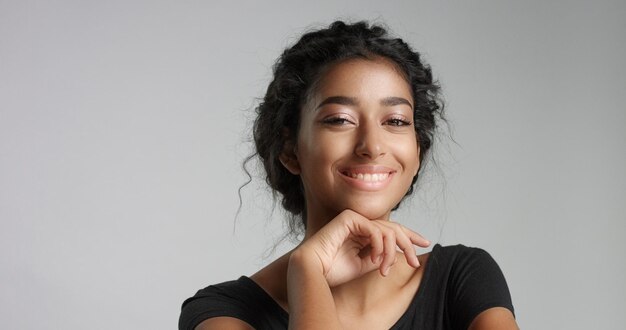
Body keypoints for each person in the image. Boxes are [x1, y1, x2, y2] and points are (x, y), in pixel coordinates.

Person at [179, 20, 517, 330]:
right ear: (289, 149)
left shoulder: (465, 278)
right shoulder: (220, 312)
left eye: (396, 121)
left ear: (418, 151)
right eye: (340, 119)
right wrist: (309, 273)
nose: (371, 146)